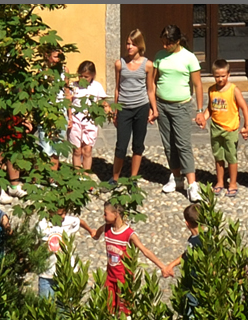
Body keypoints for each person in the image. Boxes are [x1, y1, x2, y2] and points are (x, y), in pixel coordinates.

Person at [152, 25, 204, 203]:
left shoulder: (189, 57)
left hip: (181, 106)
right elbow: (153, 81)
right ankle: (176, 177)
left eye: (168, 43)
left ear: (177, 42)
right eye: (163, 43)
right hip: (162, 105)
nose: (165, 46)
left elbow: (197, 84)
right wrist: (153, 106)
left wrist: (199, 110)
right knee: (168, 144)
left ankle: (192, 184)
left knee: (183, 144)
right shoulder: (159, 56)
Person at [89, 200, 169, 317]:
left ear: (116, 214)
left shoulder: (129, 234)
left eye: (106, 213)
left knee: (125, 312)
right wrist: (87, 228)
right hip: (110, 278)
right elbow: (96, 235)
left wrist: (163, 267)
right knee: (108, 309)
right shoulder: (106, 228)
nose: (103, 216)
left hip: (124, 279)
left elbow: (145, 251)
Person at [109, 29, 156, 183]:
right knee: (121, 146)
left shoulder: (148, 65)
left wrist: (154, 109)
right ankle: (115, 178)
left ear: (139, 46)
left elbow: (150, 88)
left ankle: (133, 178)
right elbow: (117, 88)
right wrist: (115, 110)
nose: (129, 47)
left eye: (133, 44)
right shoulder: (120, 64)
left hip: (141, 107)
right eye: (128, 44)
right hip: (124, 108)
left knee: (138, 144)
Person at [206, 59, 248, 197]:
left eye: (223, 76)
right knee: (218, 156)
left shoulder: (233, 90)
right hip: (216, 128)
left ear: (229, 74)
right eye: (217, 76)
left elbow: (244, 107)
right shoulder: (211, 90)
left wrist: (247, 125)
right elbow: (210, 108)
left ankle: (232, 182)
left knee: (231, 157)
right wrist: (203, 116)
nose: (220, 79)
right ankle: (219, 181)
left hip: (230, 129)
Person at [67, 60, 108, 171]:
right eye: (81, 76)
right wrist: (69, 117)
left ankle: (86, 174)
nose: (83, 79)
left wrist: (108, 110)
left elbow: (102, 102)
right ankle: (77, 174)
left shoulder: (97, 87)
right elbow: (68, 103)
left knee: (87, 150)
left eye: (86, 77)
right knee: (76, 150)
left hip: (90, 121)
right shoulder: (73, 86)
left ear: (92, 76)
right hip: (76, 121)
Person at [37, 204, 85, 299]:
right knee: (44, 306)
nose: (63, 216)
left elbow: (79, 221)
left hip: (65, 273)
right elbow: (37, 243)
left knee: (65, 308)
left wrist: (92, 231)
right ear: (51, 212)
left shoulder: (68, 221)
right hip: (46, 273)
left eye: (64, 213)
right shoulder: (42, 225)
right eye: (60, 214)